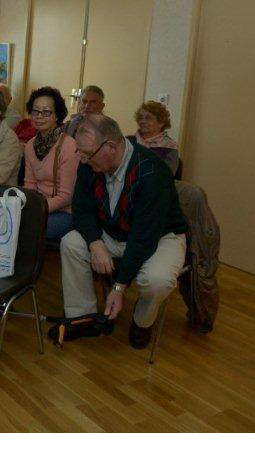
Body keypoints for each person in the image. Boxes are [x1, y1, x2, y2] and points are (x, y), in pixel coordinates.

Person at [57, 114, 188, 348]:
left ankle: (143, 319)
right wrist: (96, 244)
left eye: (87, 154)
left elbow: (143, 237)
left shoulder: (153, 172)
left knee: (157, 280)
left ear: (110, 147)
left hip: (159, 237)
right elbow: (82, 209)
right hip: (113, 231)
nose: (82, 160)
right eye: (80, 152)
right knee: (71, 243)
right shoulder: (90, 162)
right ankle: (83, 317)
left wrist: (119, 286)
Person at [22, 87, 79, 240]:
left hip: (64, 212)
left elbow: (66, 197)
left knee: (26, 228)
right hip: (37, 207)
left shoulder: (69, 146)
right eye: (35, 111)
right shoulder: (30, 145)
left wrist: (35, 210)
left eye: (46, 112)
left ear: (57, 116)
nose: (39, 117)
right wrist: (30, 208)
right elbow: (30, 184)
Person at [129, 101, 179, 176]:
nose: (142, 121)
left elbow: (167, 175)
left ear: (161, 123)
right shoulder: (128, 141)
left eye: (148, 118)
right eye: (140, 118)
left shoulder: (170, 146)